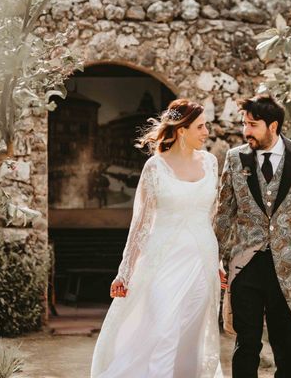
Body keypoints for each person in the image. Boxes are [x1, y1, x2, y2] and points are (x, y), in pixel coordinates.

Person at [90, 99, 223, 378]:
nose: (206, 132)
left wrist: (219, 262)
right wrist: (124, 271)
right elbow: (140, 223)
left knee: (192, 334)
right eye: (200, 126)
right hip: (164, 259)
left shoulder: (211, 163)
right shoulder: (155, 167)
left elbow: (212, 217)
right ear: (182, 130)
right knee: (164, 329)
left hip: (202, 260)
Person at [214, 94, 291, 378]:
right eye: (245, 124)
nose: (246, 131)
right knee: (247, 344)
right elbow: (224, 213)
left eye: (253, 125)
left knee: (289, 345)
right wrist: (216, 256)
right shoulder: (234, 158)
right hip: (246, 265)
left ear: (273, 125)